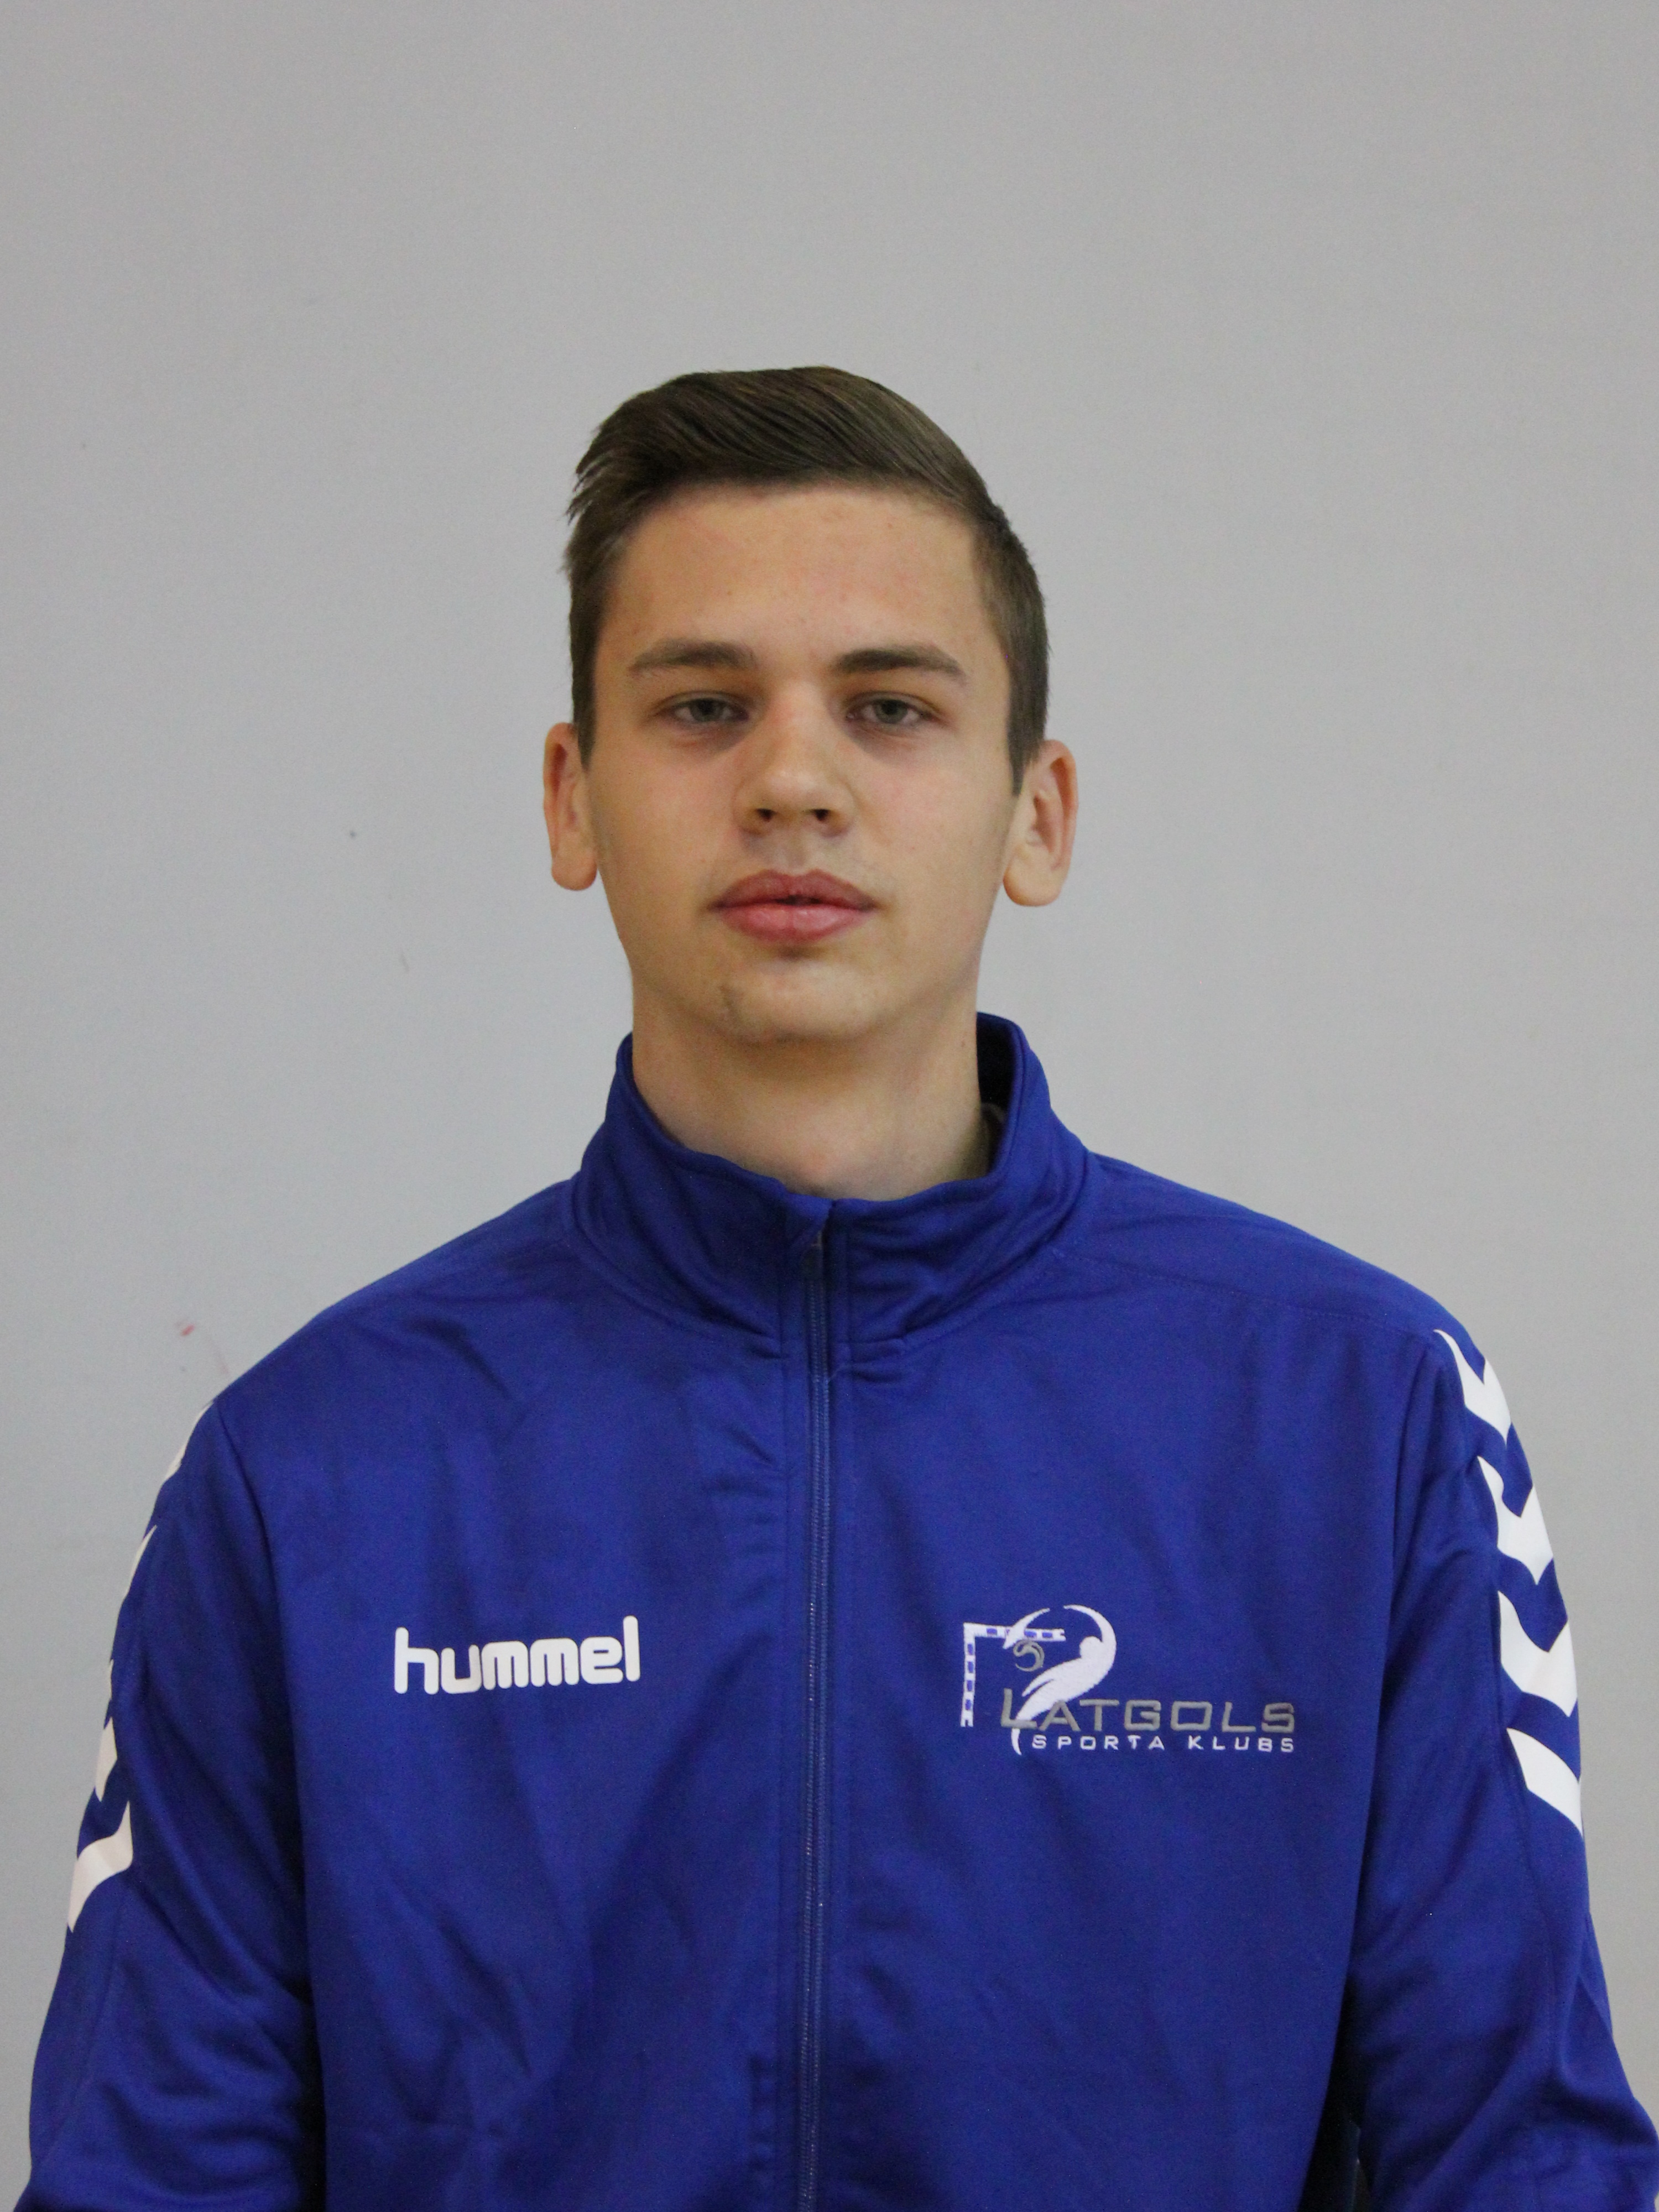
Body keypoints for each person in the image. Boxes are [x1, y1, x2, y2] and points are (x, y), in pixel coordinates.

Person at [18, 367, 1657, 2212]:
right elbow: (150, 2176)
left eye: (890, 708)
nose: (792, 781)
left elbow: (1519, 2156)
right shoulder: (312, 1473)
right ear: (572, 798)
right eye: (703, 707)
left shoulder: (1362, 1412)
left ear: (1036, 814)